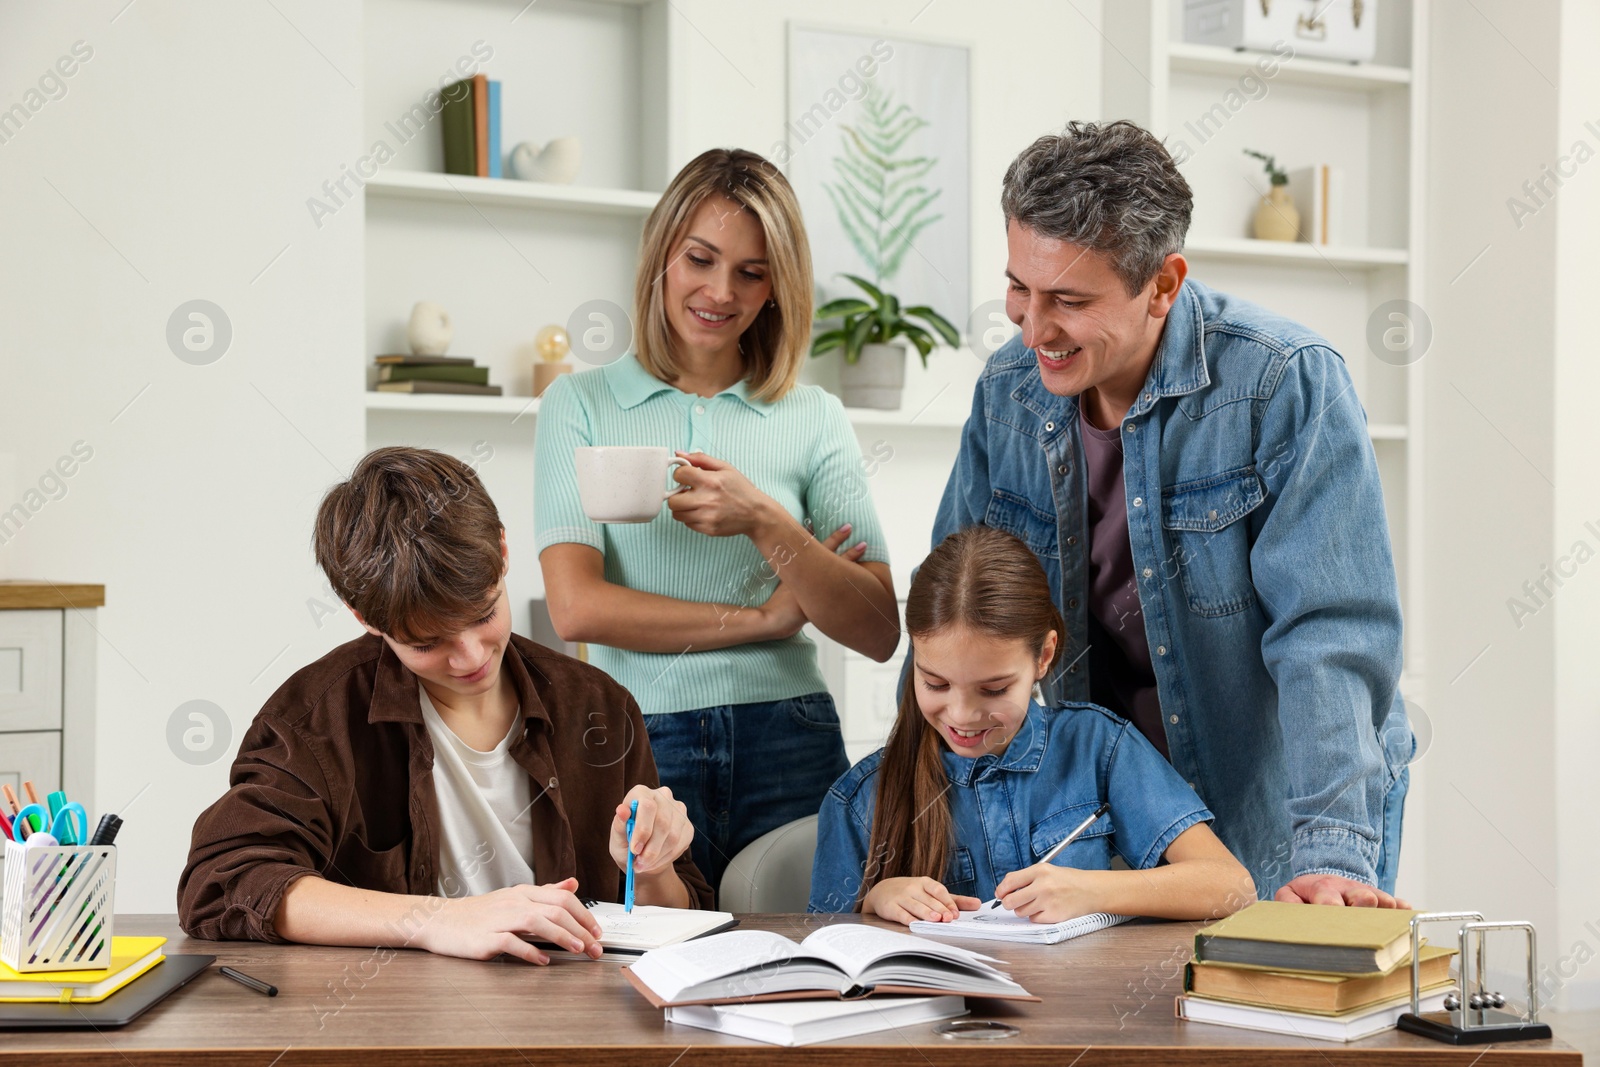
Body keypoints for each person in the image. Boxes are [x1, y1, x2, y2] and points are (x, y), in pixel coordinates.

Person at [933, 119, 1413, 906]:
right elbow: (953, 614)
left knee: (1267, 1017)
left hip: (1275, 798)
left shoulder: (1282, 383)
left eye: (1069, 299)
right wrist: (913, 824)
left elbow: (1329, 632)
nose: (1033, 327)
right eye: (1020, 287)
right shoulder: (1007, 392)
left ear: (1162, 284)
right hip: (1108, 803)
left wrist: (1330, 847)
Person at [179, 447, 711, 963]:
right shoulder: (318, 717)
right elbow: (223, 880)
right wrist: (436, 920)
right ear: (363, 615)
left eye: (483, 616)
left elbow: (684, 914)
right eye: (427, 643)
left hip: (573, 1023)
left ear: (502, 554)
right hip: (392, 1024)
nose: (470, 658)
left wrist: (656, 865)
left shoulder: (597, 704)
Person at [535, 148, 899, 894]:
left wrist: (768, 523)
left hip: (790, 734)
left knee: (816, 967)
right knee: (655, 972)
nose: (719, 290)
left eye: (752, 272)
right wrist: (764, 617)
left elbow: (876, 627)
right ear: (663, 255)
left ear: (777, 288)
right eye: (700, 258)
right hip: (639, 735)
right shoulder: (580, 405)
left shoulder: (814, 416)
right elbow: (579, 605)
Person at [809, 526, 1254, 923]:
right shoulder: (858, 799)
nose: (962, 716)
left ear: (1043, 656)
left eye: (994, 689)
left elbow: (1231, 887)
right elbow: (826, 955)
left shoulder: (1096, 747)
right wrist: (874, 902)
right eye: (935, 683)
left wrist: (1092, 891)